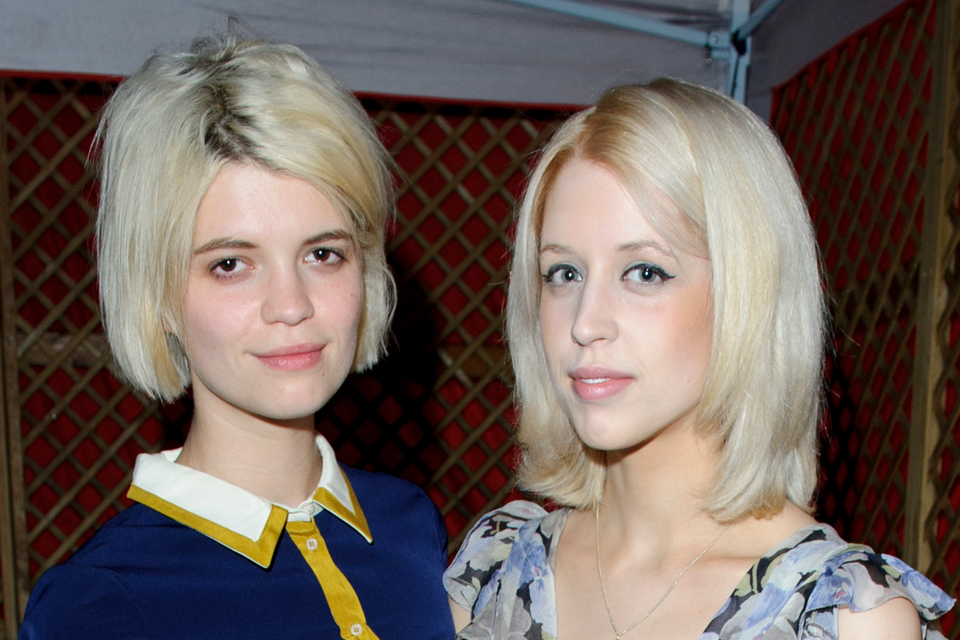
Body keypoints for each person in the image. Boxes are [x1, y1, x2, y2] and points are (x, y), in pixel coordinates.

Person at [443, 79, 954, 640]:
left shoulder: (844, 618)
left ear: (748, 296)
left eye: (644, 272)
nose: (585, 322)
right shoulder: (495, 569)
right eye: (564, 273)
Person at [20, 35, 453, 640]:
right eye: (230, 264)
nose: (291, 305)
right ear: (160, 296)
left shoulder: (409, 526)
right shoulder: (100, 603)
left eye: (323, 253)